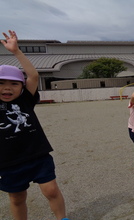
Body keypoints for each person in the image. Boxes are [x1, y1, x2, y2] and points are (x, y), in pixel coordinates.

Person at [0, 30, 70, 220]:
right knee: (17, 198)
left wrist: (16, 52)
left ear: (21, 87)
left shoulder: (24, 101)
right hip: (7, 163)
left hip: (37, 156)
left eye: (14, 84)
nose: (7, 87)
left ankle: (63, 218)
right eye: (1, 83)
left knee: (51, 190)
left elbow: (33, 76)